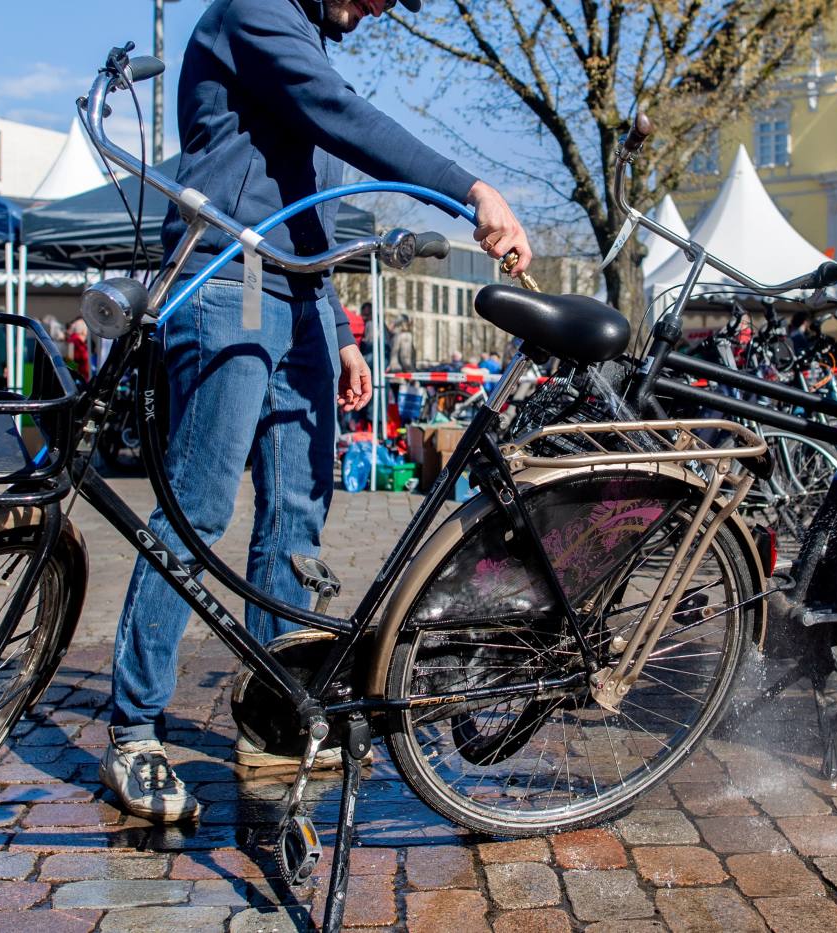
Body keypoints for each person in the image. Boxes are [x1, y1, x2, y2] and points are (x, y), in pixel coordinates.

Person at [101, 0, 533, 822]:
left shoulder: (308, 47)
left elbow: (306, 212)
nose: (377, 8)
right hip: (227, 284)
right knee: (196, 509)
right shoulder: (254, 12)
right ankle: (134, 728)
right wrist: (469, 188)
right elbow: (342, 119)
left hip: (293, 301)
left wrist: (336, 332)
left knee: (298, 512)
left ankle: (273, 711)